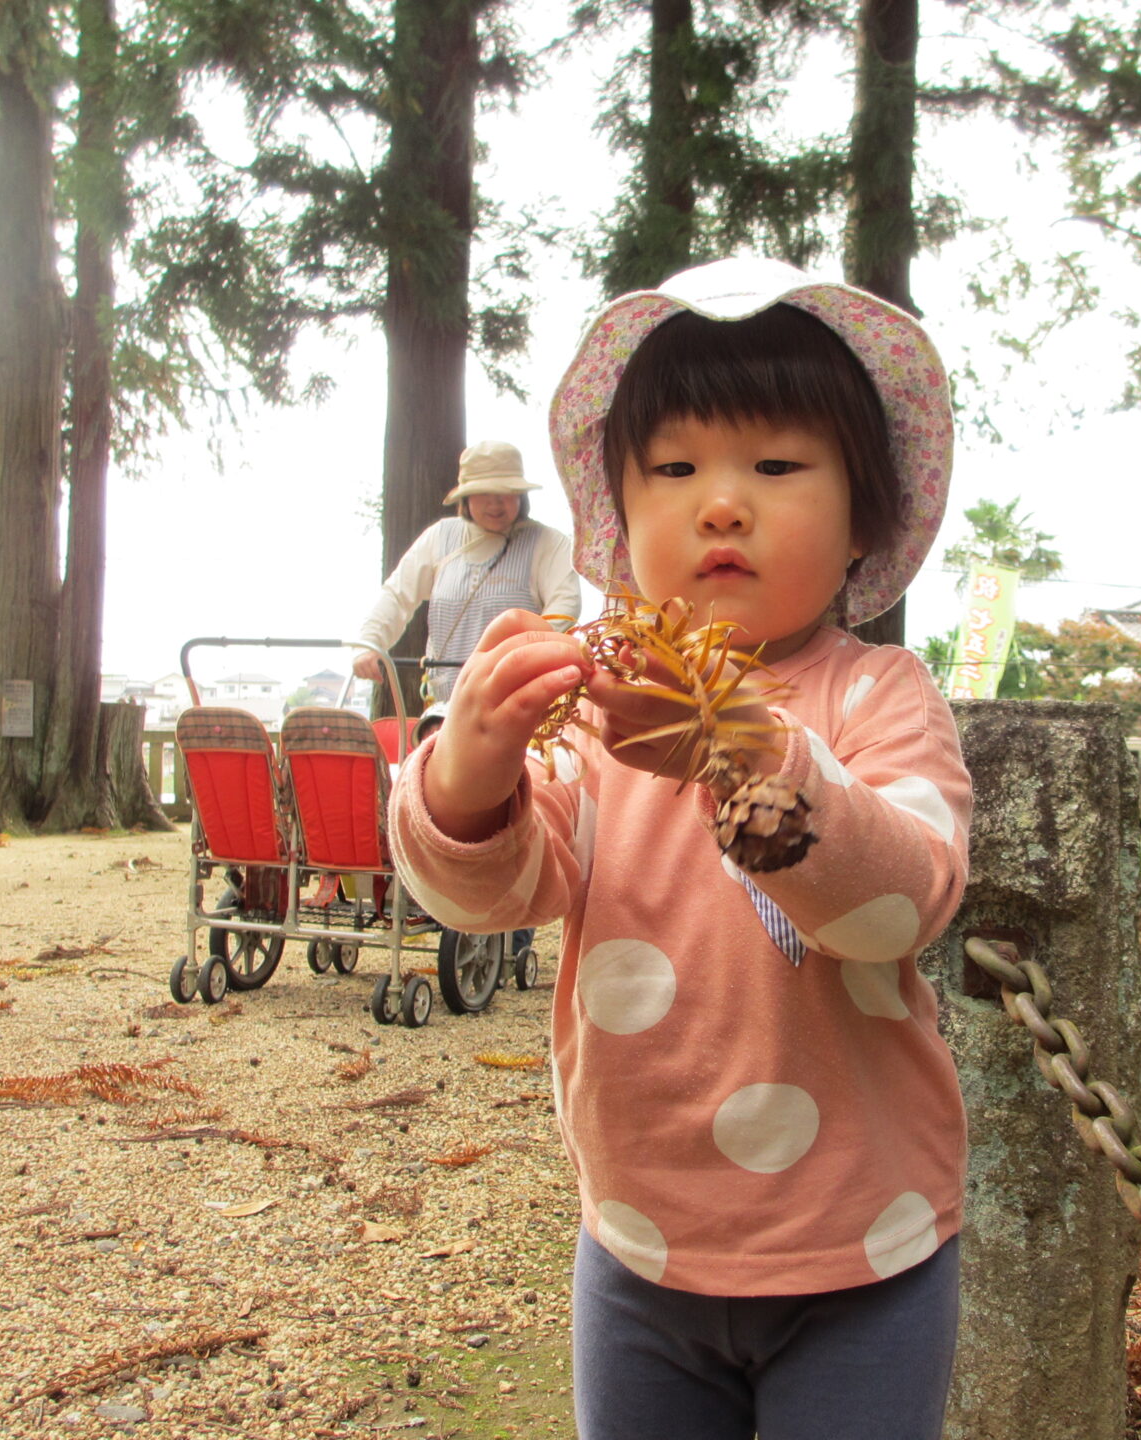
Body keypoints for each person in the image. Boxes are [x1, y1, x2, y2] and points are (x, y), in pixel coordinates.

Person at [388, 257, 971, 1440]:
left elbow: (901, 905)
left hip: (864, 1246)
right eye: (675, 469)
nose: (722, 505)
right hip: (640, 1243)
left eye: (776, 467)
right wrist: (470, 772)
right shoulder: (594, 709)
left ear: (863, 518)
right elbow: (496, 894)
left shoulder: (878, 695)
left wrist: (738, 742)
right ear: (616, 514)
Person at [350, 439, 580, 704]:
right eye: (484, 494)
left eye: (505, 493)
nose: (495, 504)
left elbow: (565, 607)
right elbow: (397, 595)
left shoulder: (548, 543)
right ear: (466, 497)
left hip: (518, 701)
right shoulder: (440, 537)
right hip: (445, 705)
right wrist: (368, 644)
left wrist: (523, 656)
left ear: (521, 495)